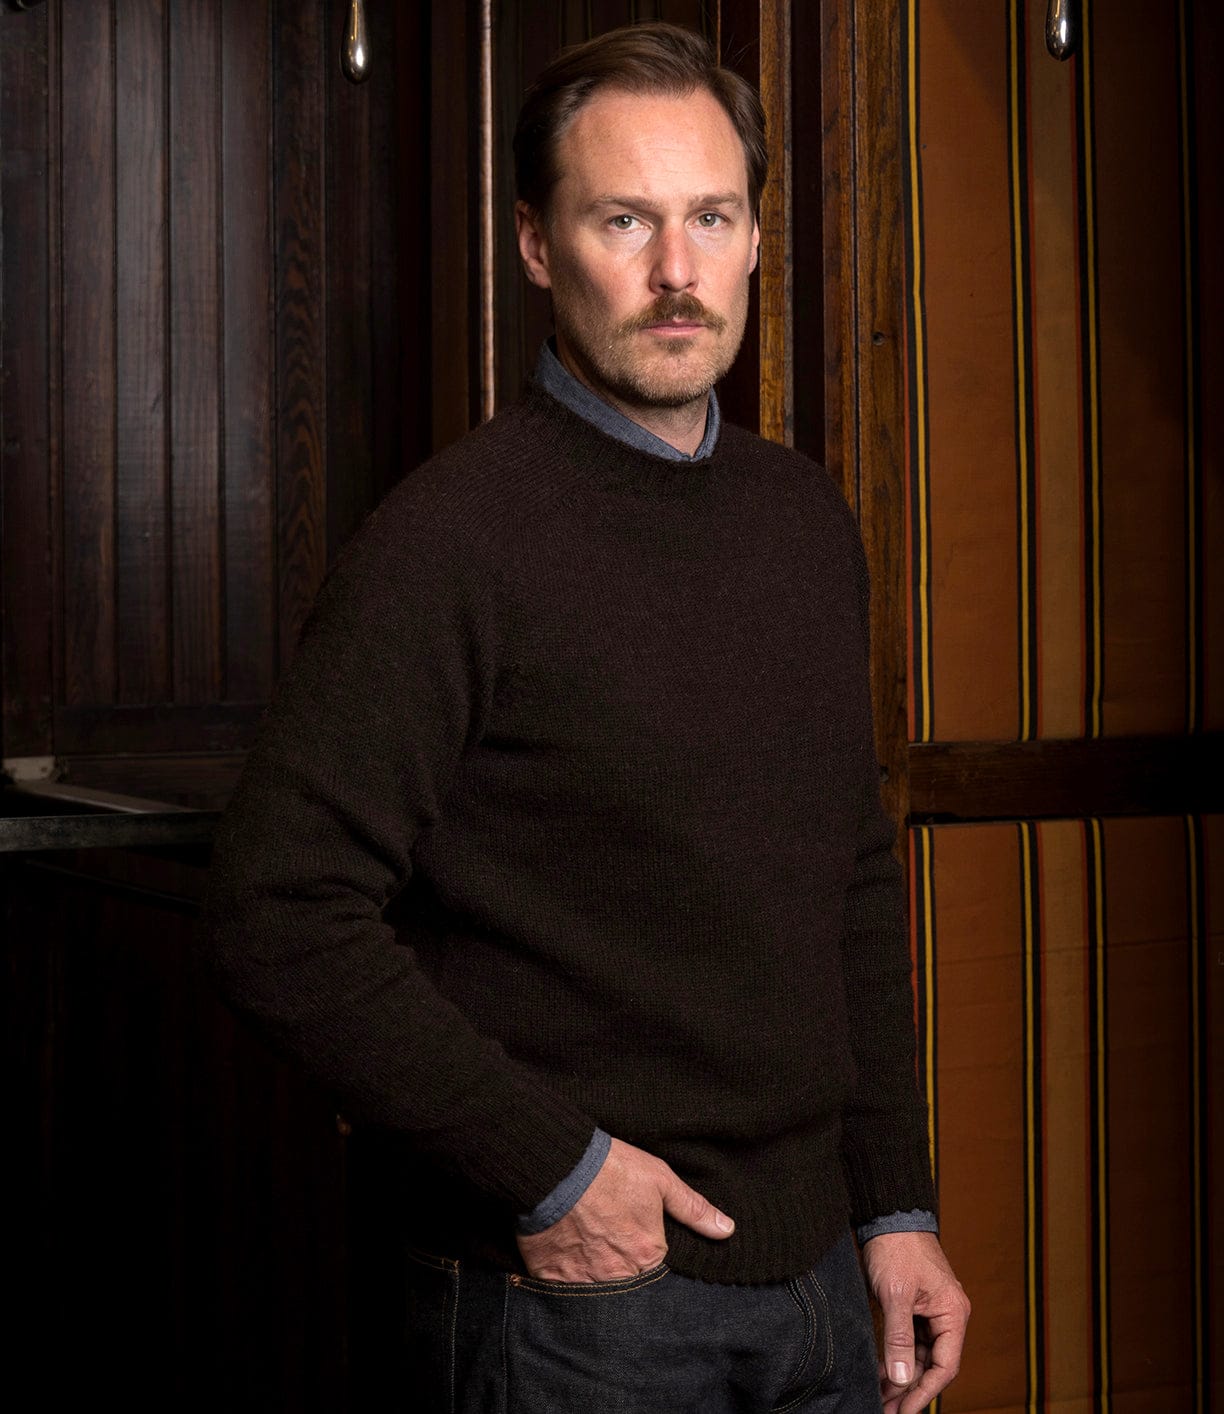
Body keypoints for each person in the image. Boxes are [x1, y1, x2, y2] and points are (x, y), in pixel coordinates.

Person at [203, 22, 969, 1414]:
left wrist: (895, 1205)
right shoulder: (449, 544)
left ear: (752, 240)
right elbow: (277, 903)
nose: (678, 273)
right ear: (539, 246)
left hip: (822, 1301)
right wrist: (552, 1168)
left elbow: (849, 879)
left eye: (712, 218)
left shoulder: (805, 522)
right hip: (573, 1306)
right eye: (626, 220)